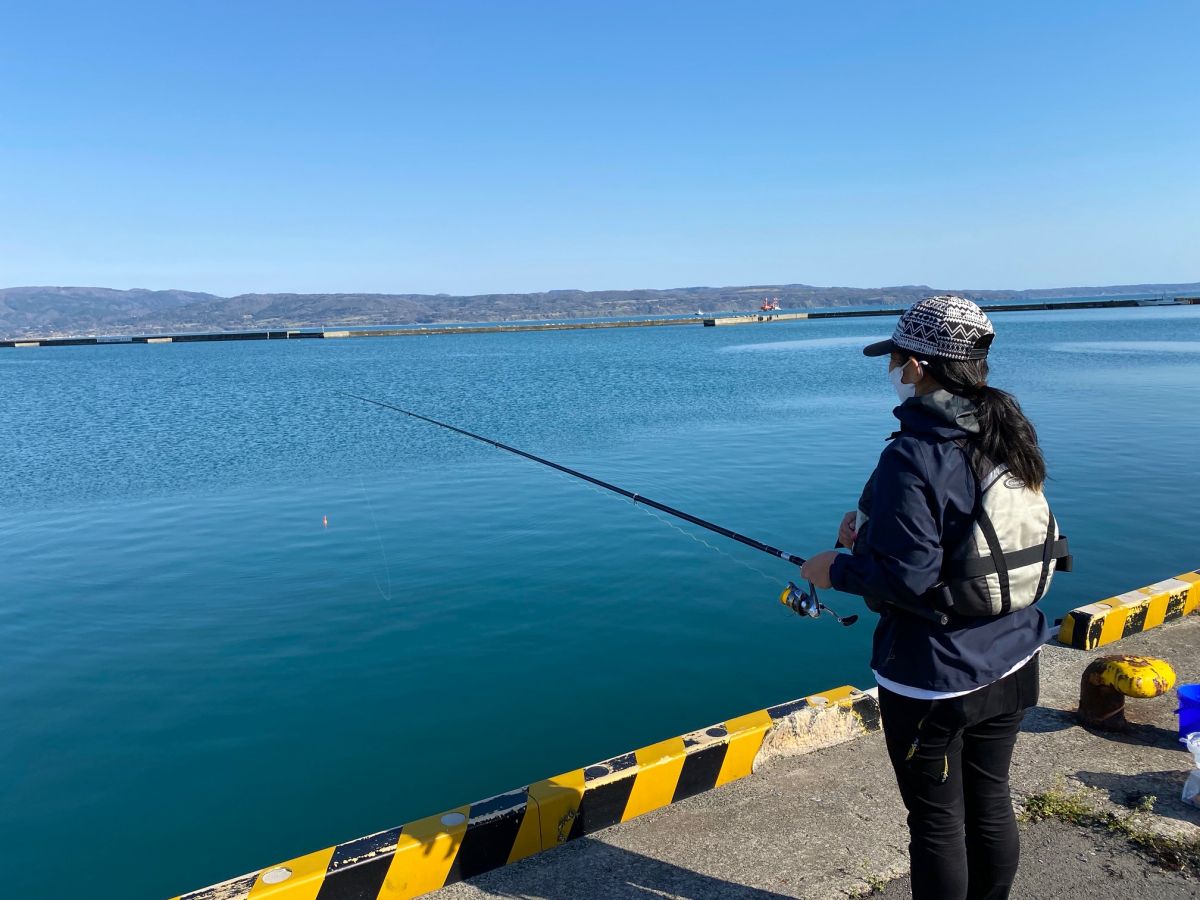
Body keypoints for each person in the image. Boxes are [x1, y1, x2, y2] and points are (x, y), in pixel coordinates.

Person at [800, 295, 1055, 900]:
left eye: (896, 360)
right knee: (990, 800)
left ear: (916, 365)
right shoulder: (1007, 431)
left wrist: (835, 569)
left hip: (937, 675)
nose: (893, 371)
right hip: (1016, 653)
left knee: (937, 823)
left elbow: (908, 578)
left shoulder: (913, 452)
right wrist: (868, 542)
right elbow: (965, 534)